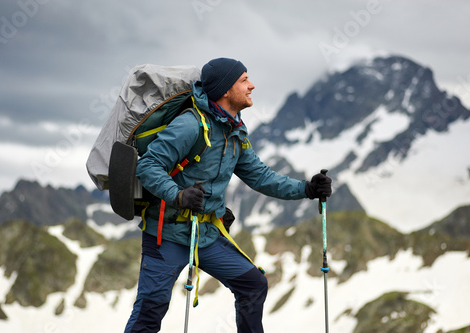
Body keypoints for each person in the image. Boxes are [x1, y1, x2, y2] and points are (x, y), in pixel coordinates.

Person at [124, 58, 332, 333]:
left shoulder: (234, 131)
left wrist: (307, 189)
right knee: (150, 311)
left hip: (207, 235)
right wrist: (178, 195)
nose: (252, 85)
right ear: (225, 90)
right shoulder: (190, 125)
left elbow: (260, 176)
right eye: (244, 80)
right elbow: (147, 166)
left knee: (253, 285)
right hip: (167, 235)